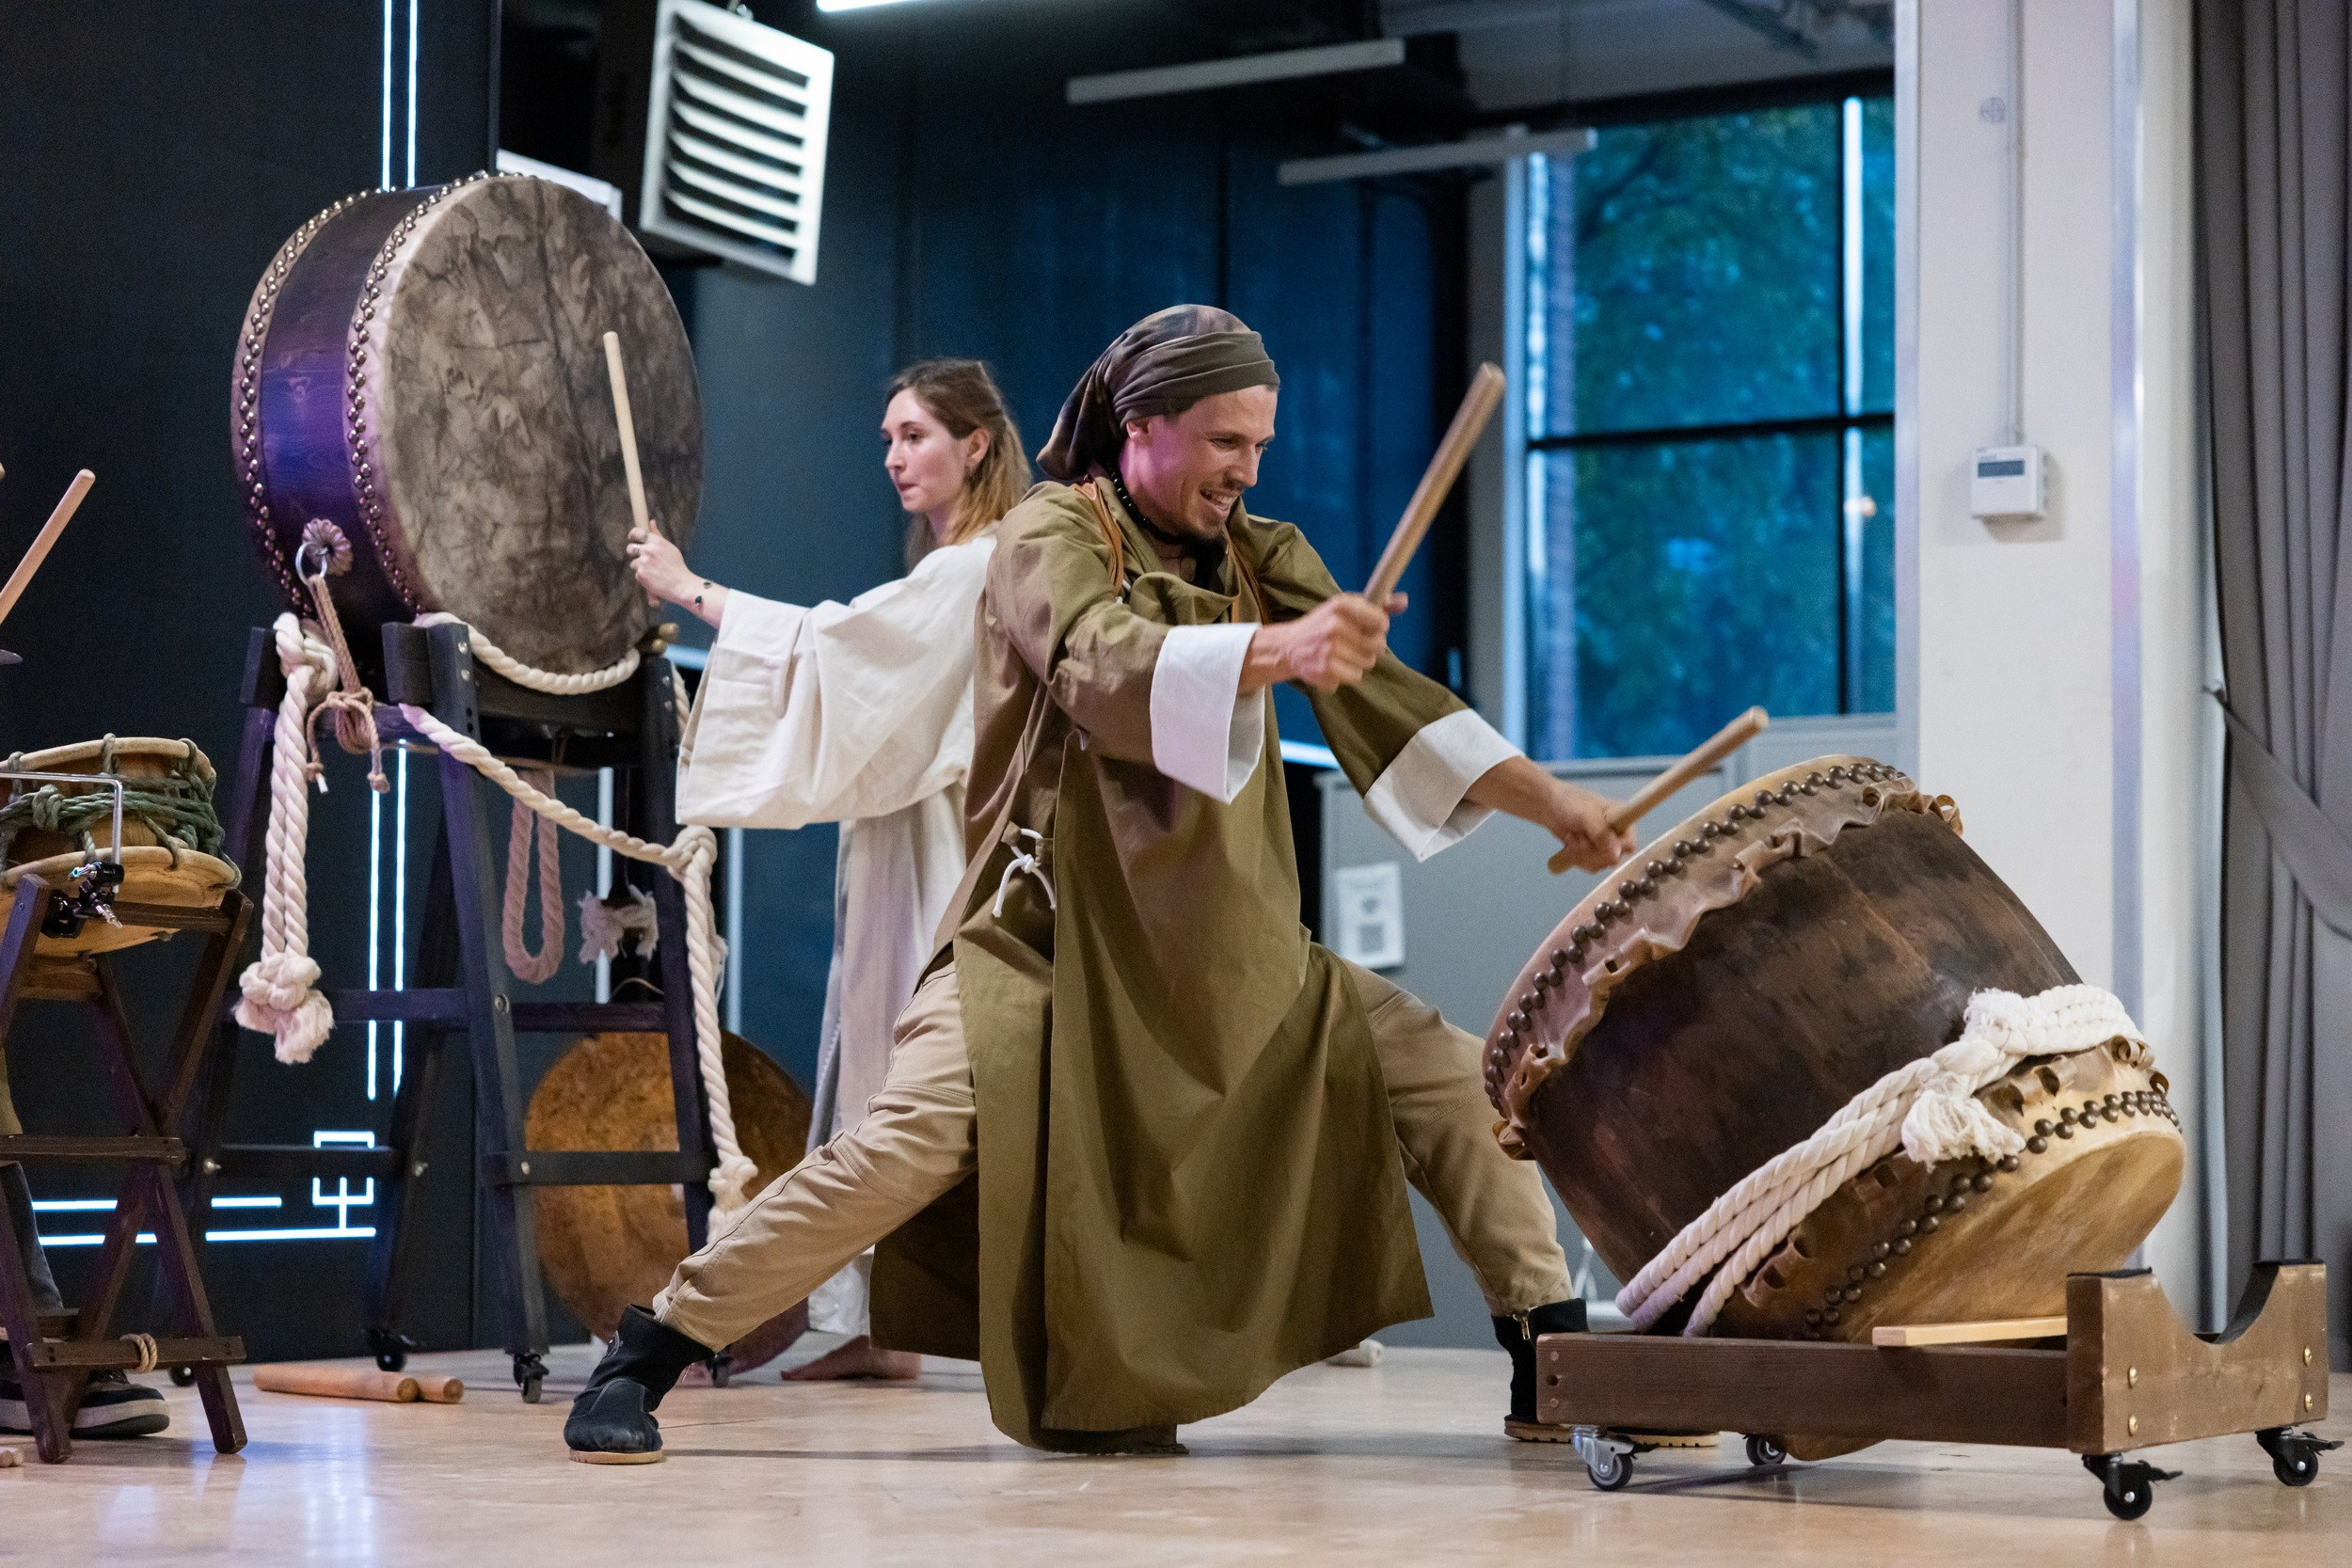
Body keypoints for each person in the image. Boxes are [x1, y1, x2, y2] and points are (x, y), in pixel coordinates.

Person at [568, 307, 1630, 1464]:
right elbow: (1093, 660)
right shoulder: (1046, 536)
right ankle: (653, 1344)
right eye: (1226, 441)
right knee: (899, 1147)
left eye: (1261, 445)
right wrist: (1279, 651)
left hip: (1226, 947)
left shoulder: (1257, 555)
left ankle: (1551, 1359)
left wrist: (1558, 804)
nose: (1247, 468)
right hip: (1046, 948)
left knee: (1442, 1080)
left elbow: (1391, 700)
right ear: (1143, 426)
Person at [625, 358, 1028, 1382]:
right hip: (907, 835)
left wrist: (691, 588)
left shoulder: (978, 565)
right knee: (876, 1048)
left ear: (975, 443)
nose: (895, 458)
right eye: (887, 439)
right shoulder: (955, 567)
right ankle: (878, 1321)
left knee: (913, 1064)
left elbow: (837, 649)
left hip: (948, 844)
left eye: (916, 435)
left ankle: (910, 1319)